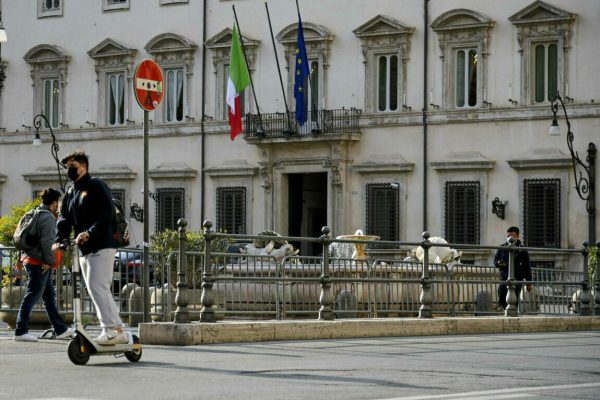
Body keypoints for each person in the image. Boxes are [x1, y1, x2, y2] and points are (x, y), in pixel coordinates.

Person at [54, 150, 128, 345]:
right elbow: (64, 220)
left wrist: (90, 232)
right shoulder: (71, 192)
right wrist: (59, 240)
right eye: (67, 167)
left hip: (102, 244)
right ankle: (118, 329)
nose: (69, 170)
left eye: (72, 167)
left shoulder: (96, 186)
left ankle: (110, 330)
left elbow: (106, 214)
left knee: (98, 287)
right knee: (96, 288)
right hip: (84, 248)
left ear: (83, 167)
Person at [14, 188, 74, 342]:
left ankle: (60, 329)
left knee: (48, 296)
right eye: (58, 202)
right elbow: (47, 242)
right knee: (32, 295)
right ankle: (21, 331)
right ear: (54, 203)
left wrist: (20, 259)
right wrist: (49, 261)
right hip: (39, 263)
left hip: (31, 259)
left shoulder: (34, 212)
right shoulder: (47, 217)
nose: (59, 205)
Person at [494, 226, 533, 310]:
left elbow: (527, 267)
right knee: (501, 294)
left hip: (518, 278)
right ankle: (504, 309)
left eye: (512, 236)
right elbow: (495, 261)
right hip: (504, 277)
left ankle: (513, 313)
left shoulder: (522, 250)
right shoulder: (502, 248)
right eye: (508, 236)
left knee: (514, 299)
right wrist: (499, 263)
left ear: (517, 237)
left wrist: (529, 283)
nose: (510, 238)